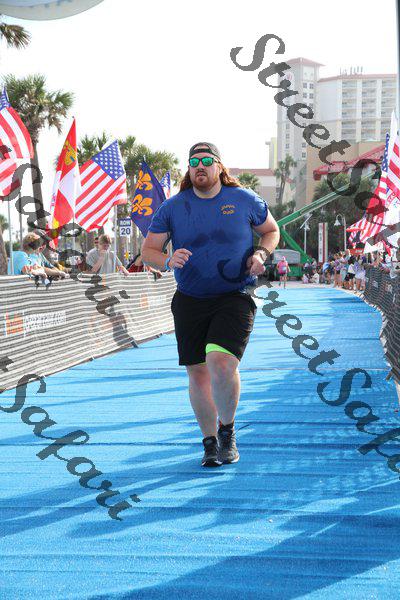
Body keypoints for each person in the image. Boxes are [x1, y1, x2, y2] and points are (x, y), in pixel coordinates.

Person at [142, 142, 280, 467]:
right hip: (190, 299)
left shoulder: (244, 199)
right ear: (189, 169)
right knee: (198, 373)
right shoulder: (173, 207)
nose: (199, 166)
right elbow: (149, 251)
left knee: (220, 362)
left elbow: (271, 230)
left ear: (219, 166)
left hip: (235, 295)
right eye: (194, 162)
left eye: (206, 160)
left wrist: (261, 254)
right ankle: (209, 442)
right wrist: (167, 260)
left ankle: (227, 431)